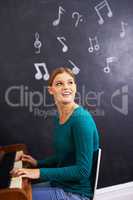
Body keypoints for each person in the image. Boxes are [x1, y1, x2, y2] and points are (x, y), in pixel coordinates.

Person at [11, 67, 99, 200]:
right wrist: (38, 163)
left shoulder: (81, 119)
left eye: (70, 82)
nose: (66, 87)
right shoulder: (60, 117)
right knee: (15, 191)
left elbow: (82, 171)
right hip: (60, 184)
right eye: (59, 83)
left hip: (76, 194)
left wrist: (38, 172)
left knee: (16, 198)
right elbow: (63, 157)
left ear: (75, 87)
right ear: (51, 90)